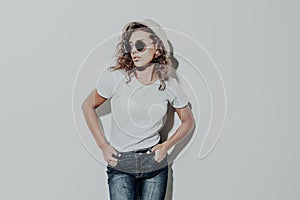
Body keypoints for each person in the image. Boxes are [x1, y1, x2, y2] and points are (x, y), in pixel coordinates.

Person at [82, 19, 195, 200]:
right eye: (130, 46)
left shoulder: (169, 85)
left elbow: (187, 121)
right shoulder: (116, 77)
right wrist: (103, 146)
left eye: (140, 45)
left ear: (157, 48)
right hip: (121, 163)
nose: (134, 51)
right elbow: (87, 106)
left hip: (154, 164)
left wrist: (166, 146)